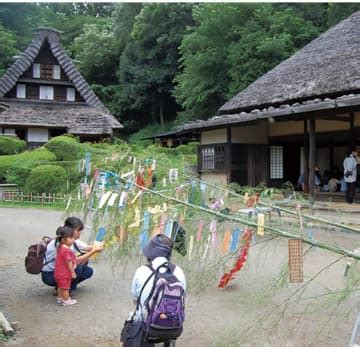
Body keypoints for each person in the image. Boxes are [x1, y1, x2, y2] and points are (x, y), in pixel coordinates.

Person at [130, 234, 186, 346]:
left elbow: (135, 299)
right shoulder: (179, 271)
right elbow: (183, 298)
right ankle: (168, 341)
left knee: (136, 313)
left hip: (147, 325)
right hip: (173, 326)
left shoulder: (141, 271)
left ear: (150, 254)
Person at [41, 216, 103, 293]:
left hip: (59, 271)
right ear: (71, 230)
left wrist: (100, 245)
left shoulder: (70, 239)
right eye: (78, 230)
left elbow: (87, 248)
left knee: (88, 271)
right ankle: (66, 291)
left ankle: (60, 288)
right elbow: (75, 261)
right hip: (49, 275)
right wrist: (93, 252)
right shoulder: (62, 244)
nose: (80, 233)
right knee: (77, 267)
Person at [54, 226, 78, 306]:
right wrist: (72, 272)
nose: (73, 240)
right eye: (71, 238)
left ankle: (60, 298)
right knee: (65, 287)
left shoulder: (60, 247)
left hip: (59, 273)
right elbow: (69, 261)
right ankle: (66, 300)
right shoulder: (66, 251)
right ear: (64, 239)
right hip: (64, 273)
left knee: (60, 286)